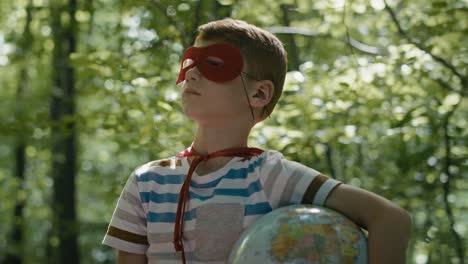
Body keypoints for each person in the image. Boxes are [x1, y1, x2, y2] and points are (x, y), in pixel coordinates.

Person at [102, 18, 411, 264]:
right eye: (189, 62)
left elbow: (390, 219)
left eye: (215, 65)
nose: (191, 75)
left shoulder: (270, 176)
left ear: (259, 94)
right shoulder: (147, 183)